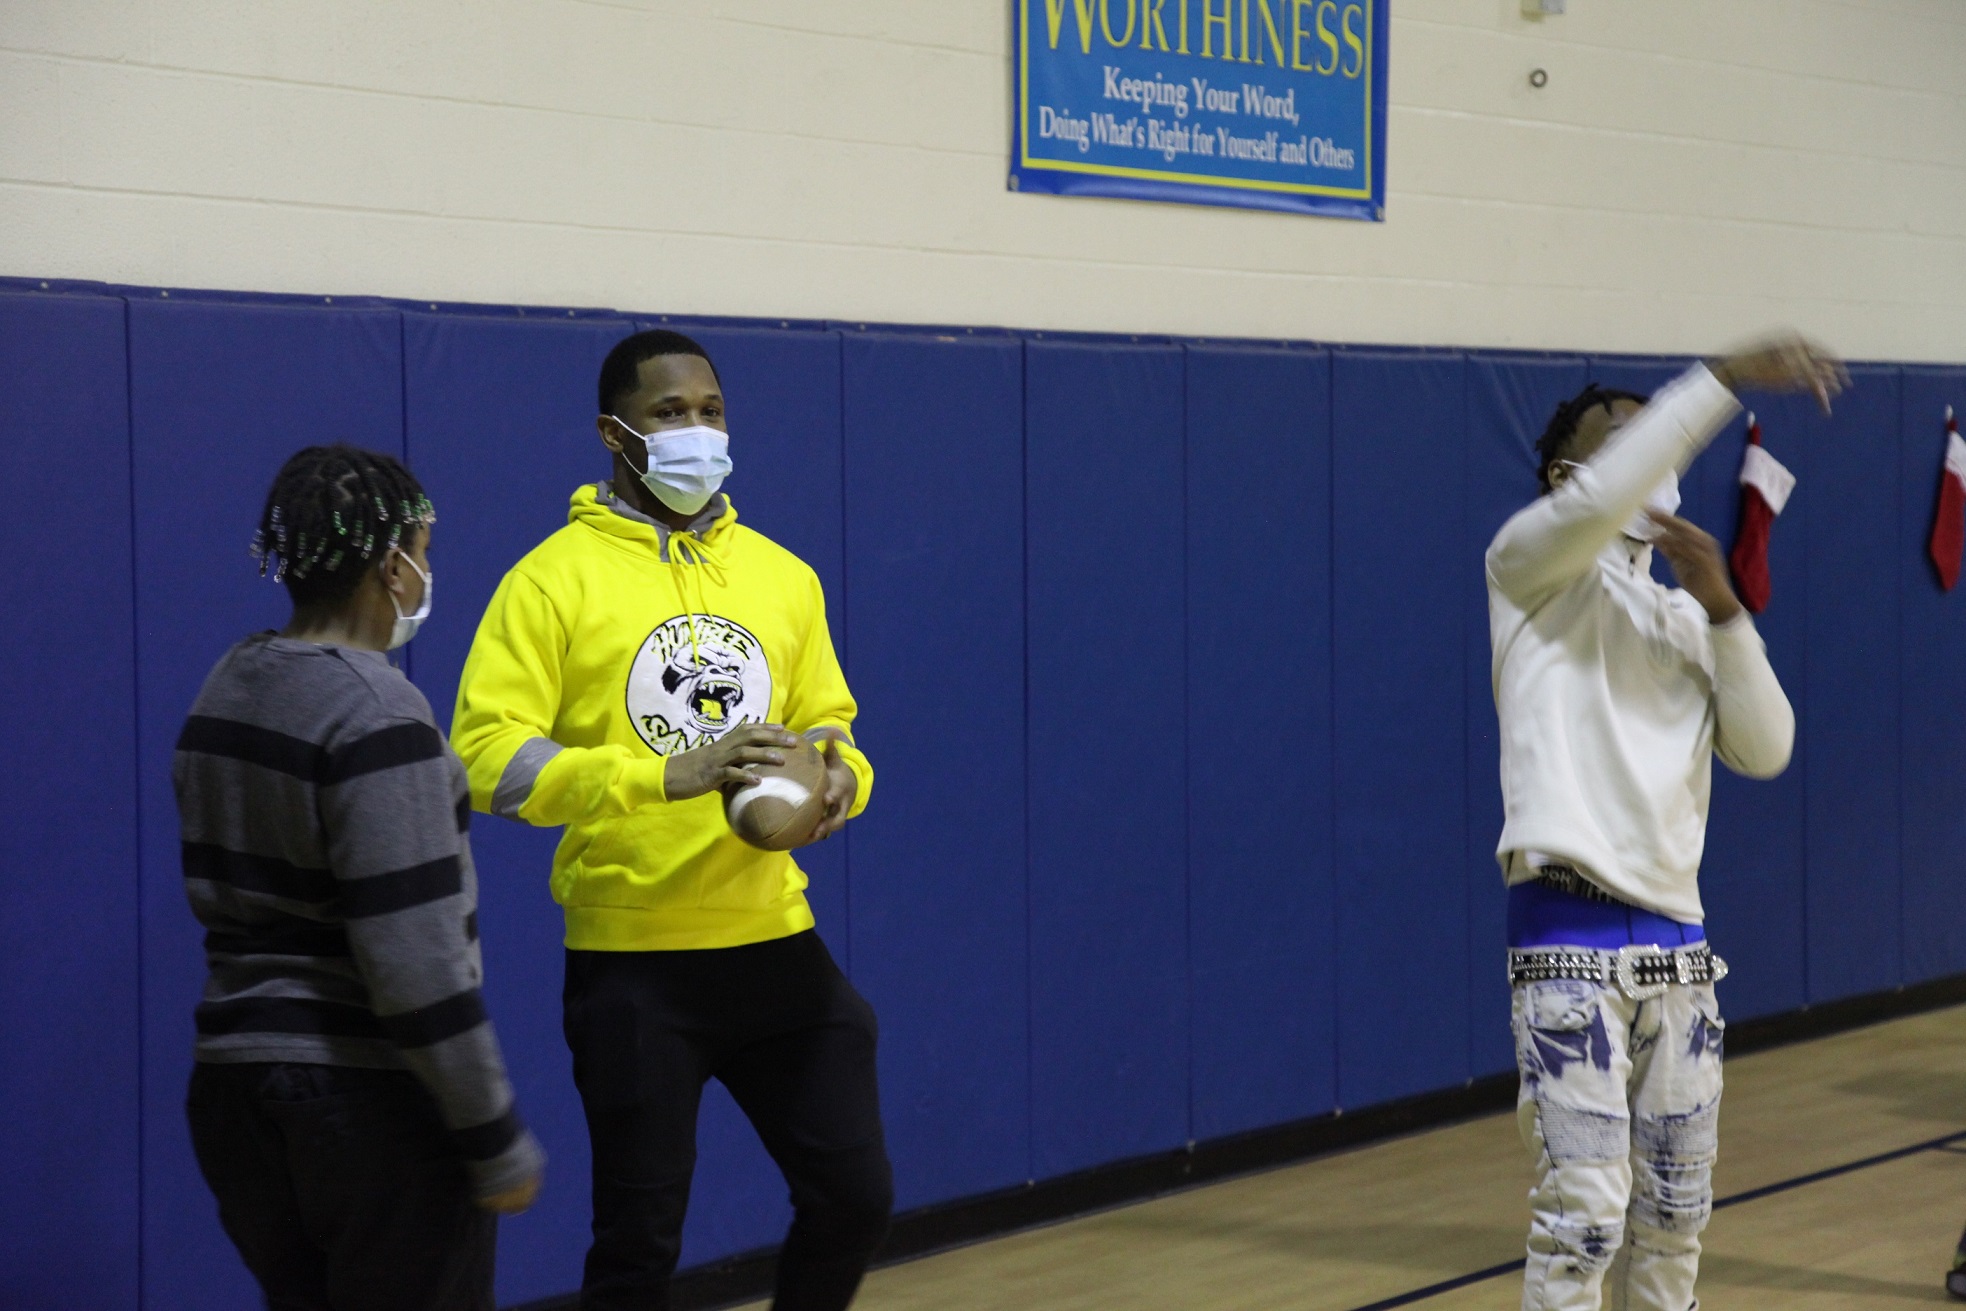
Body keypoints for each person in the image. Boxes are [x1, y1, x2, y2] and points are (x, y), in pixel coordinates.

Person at [451, 329, 891, 1310]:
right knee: (638, 1244)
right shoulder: (549, 582)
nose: (698, 431)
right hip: (633, 965)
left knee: (856, 1196)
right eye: (669, 414)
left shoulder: (784, 576)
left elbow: (833, 724)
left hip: (776, 946)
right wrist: (661, 776)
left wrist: (834, 784)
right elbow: (486, 760)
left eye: (711, 411)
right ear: (615, 432)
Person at [1487, 335, 1845, 1311]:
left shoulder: (1687, 622)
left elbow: (1765, 747)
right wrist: (1722, 379)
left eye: (1666, 448)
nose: (1660, 465)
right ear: (1570, 473)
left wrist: (1726, 610)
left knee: (1676, 1218)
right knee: (1585, 1217)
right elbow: (1607, 501)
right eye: (1632, 444)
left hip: (1681, 962)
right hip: (1566, 954)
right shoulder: (1526, 570)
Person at [174, 445, 544, 1311]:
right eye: (422, 550)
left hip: (234, 1096)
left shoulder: (226, 684)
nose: (425, 572)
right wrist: (494, 1136)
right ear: (391, 566)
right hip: (362, 1102)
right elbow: (413, 960)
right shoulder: (379, 713)